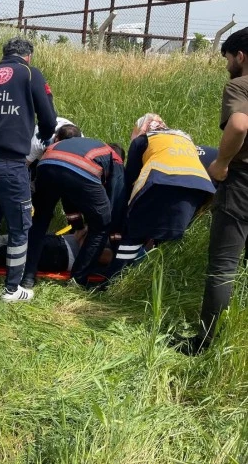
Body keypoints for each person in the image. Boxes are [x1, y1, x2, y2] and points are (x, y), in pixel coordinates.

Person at [0, 37, 57, 302]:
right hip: (11, 164)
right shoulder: (30, 73)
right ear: (28, 56)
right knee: (19, 227)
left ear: (3, 54)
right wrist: (42, 136)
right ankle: (12, 289)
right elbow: (49, 119)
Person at [177, 27, 248, 355]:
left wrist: (221, 162)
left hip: (242, 183)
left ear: (241, 57)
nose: (227, 65)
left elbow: (239, 125)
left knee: (224, 265)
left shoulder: (239, 85)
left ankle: (203, 343)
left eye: (229, 58)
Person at [24, 125, 125, 289]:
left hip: (47, 162)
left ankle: (28, 276)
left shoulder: (90, 146)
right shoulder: (116, 160)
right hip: (79, 166)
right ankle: (78, 280)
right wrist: (116, 243)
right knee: (102, 225)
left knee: (40, 220)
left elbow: (68, 194)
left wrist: (77, 226)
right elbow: (116, 204)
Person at [111, 114, 215, 273]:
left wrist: (121, 214)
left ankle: (115, 277)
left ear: (141, 128)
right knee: (170, 234)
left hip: (161, 180)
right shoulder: (185, 138)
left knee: (135, 229)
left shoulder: (143, 140)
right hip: (200, 187)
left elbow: (131, 178)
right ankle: (156, 276)